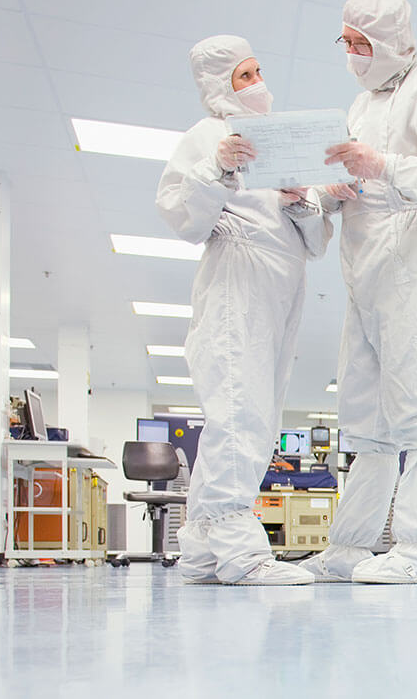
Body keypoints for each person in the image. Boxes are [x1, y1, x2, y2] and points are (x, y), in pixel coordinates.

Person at [301, 0, 417, 585]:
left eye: (364, 44)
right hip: (365, 263)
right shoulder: (357, 107)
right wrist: (330, 191)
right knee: (365, 414)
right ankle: (352, 545)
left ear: (394, 43)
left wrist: (384, 167)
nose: (354, 55)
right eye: (347, 43)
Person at [155, 34, 334, 586]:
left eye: (259, 72)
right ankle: (242, 553)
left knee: (258, 419)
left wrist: (299, 199)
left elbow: (317, 242)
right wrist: (218, 169)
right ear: (218, 86)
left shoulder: (281, 142)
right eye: (244, 76)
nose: (258, 85)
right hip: (237, 277)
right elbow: (184, 218)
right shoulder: (206, 137)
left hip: (284, 284)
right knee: (238, 412)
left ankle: (202, 548)